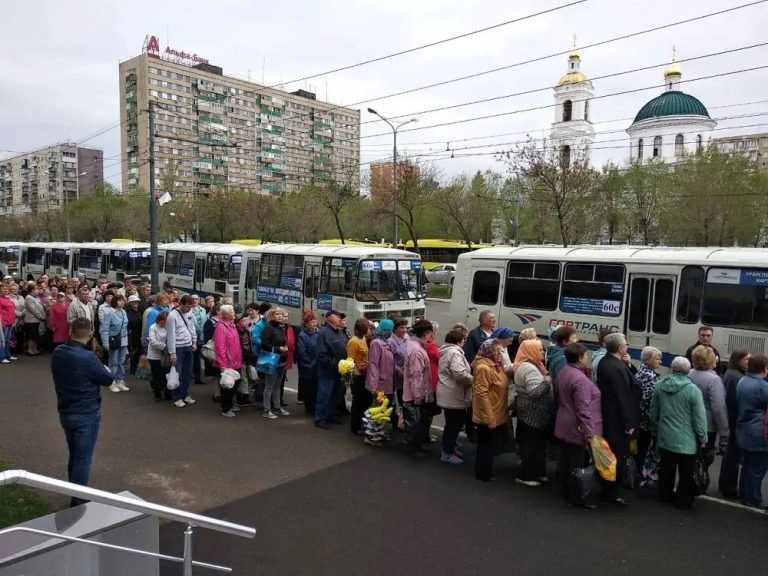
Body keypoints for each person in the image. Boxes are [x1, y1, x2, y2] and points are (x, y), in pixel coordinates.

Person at [51, 317, 115, 506]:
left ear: (70, 331)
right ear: (90, 333)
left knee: (74, 454)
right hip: (86, 412)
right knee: (82, 458)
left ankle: (74, 492)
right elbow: (107, 379)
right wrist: (106, 369)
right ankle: (78, 502)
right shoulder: (87, 358)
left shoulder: (59, 352)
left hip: (65, 409)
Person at [650, 356, 708, 510]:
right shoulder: (692, 390)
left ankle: (664, 494)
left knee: (666, 468)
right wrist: (703, 437)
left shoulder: (660, 384)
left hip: (665, 436)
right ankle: (683, 501)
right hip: (686, 440)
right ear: (688, 370)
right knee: (686, 473)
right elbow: (699, 418)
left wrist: (655, 428)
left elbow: (653, 412)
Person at [555, 342, 603, 507]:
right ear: (580, 357)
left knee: (567, 461)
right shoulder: (580, 379)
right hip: (577, 427)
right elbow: (583, 409)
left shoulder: (565, 371)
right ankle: (578, 497)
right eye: (586, 355)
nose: (587, 358)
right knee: (578, 465)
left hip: (564, 422)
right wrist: (590, 433)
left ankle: (566, 492)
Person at [596, 332, 639, 505]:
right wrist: (628, 423)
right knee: (616, 454)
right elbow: (623, 397)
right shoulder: (616, 367)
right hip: (616, 419)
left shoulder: (607, 362)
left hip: (609, 414)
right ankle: (611, 491)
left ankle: (609, 488)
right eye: (626, 344)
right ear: (621, 348)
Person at [514, 338, 554, 487]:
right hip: (532, 414)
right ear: (530, 351)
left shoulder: (534, 365)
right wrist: (547, 382)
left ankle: (537, 472)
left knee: (537, 446)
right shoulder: (529, 368)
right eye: (539, 350)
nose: (543, 351)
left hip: (533, 414)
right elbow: (534, 392)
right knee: (531, 446)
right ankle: (526, 475)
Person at [688, 344, 729, 485]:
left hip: (689, 422)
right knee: (705, 458)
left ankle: (689, 482)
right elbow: (719, 407)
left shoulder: (689, 373)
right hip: (707, 425)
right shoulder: (714, 379)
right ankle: (699, 484)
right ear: (712, 360)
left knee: (691, 457)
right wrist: (724, 431)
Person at [471, 339, 509, 481]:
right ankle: (482, 473)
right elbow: (481, 394)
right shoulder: (483, 368)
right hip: (488, 414)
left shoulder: (495, 365)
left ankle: (485, 471)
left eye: (500, 350)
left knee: (489, 444)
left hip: (496, 411)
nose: (500, 353)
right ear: (489, 352)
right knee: (485, 445)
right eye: (497, 350)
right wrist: (489, 418)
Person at [735, 354, 768, 509]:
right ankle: (753, 500)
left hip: (744, 429)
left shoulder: (743, 380)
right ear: (765, 368)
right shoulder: (762, 386)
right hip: (759, 432)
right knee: (757, 469)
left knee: (748, 465)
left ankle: (744, 494)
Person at [437, 327, 473, 464]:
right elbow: (460, 375)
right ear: (459, 341)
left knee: (453, 423)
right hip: (453, 394)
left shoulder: (447, 351)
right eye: (464, 340)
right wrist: (473, 379)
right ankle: (447, 452)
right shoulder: (455, 354)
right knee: (453, 424)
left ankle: (449, 449)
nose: (465, 342)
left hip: (450, 392)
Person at [719, 349, 750, 499]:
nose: (749, 362)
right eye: (746, 359)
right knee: (732, 457)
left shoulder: (735, 374)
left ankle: (726, 484)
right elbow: (732, 403)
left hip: (733, 422)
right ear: (738, 360)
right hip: (734, 422)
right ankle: (729, 487)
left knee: (731, 456)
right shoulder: (734, 377)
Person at [403, 319, 435, 455]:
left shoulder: (415, 345)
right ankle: (413, 448)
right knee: (416, 423)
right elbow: (416, 375)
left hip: (415, 391)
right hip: (415, 393)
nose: (432, 337)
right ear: (426, 333)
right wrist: (418, 396)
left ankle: (416, 446)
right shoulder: (417, 350)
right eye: (430, 333)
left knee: (417, 422)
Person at [314, 310, 348, 430]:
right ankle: (320, 419)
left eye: (340, 316)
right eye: (337, 316)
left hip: (340, 371)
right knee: (324, 395)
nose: (340, 318)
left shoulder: (339, 332)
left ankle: (331, 415)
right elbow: (321, 355)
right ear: (329, 318)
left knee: (336, 395)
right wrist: (336, 364)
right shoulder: (323, 333)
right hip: (327, 372)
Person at [166, 295, 198, 408]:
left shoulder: (190, 313)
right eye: (187, 307)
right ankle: (177, 397)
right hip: (178, 347)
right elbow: (171, 335)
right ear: (181, 304)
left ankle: (185, 394)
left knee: (188, 373)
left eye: (191, 307)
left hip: (188, 345)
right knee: (177, 373)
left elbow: (192, 328)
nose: (189, 309)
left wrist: (194, 342)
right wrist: (172, 353)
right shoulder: (172, 315)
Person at [260, 307, 291, 419]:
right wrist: (279, 349)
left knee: (277, 385)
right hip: (271, 359)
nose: (280, 316)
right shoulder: (268, 328)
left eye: (281, 315)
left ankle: (277, 407)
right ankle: (266, 409)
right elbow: (264, 344)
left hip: (281, 360)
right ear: (272, 316)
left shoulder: (280, 328)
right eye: (277, 314)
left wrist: (284, 348)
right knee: (269, 386)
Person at [213, 304, 243, 418]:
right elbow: (220, 347)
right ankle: (226, 408)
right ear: (225, 315)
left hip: (236, 360)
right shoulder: (221, 327)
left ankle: (230, 404)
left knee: (236, 382)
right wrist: (222, 364)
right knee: (227, 386)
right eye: (232, 312)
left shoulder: (232, 325)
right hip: (227, 362)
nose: (234, 313)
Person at [635, 346, 662, 471]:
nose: (660, 362)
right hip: (645, 421)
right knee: (643, 449)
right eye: (657, 359)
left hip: (639, 419)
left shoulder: (641, 370)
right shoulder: (649, 376)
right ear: (647, 360)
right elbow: (650, 400)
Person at [366, 319, 396, 426]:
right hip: (380, 385)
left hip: (387, 384)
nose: (391, 333)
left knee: (384, 411)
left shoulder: (386, 342)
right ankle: (372, 435)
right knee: (378, 411)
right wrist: (373, 386)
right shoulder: (376, 343)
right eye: (390, 330)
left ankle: (379, 433)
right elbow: (373, 365)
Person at [100, 294, 130, 393]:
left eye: (123, 300)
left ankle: (120, 380)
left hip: (123, 340)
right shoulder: (109, 313)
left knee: (121, 361)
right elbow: (105, 329)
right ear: (115, 301)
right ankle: (111, 382)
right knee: (113, 362)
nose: (122, 302)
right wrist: (105, 343)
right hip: (113, 340)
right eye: (119, 300)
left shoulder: (123, 312)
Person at [348, 318, 371, 435]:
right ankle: (355, 427)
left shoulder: (363, 338)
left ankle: (362, 423)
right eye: (368, 327)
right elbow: (350, 359)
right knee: (358, 401)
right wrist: (360, 369)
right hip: (357, 375)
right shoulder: (353, 341)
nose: (369, 329)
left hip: (364, 373)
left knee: (364, 401)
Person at [296, 310, 320, 415]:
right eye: (312, 322)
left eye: (315, 322)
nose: (314, 324)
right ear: (306, 324)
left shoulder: (319, 332)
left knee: (316, 387)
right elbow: (301, 351)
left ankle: (315, 406)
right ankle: (309, 408)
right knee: (309, 388)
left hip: (318, 364)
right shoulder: (303, 335)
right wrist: (310, 363)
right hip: (307, 365)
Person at [147, 311, 171, 401]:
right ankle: (157, 393)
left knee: (166, 374)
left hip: (165, 356)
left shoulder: (168, 327)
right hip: (154, 355)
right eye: (162, 320)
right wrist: (165, 347)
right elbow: (153, 342)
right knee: (157, 375)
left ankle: (167, 392)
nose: (163, 322)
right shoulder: (153, 327)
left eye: (165, 321)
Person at [547, 325, 578, 391]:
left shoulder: (562, 354)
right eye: (574, 338)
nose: (577, 340)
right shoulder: (562, 359)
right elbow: (564, 384)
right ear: (565, 342)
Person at [189, 294, 208, 386]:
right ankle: (190, 375)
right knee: (192, 357)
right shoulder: (188, 311)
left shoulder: (203, 310)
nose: (195, 300)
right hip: (192, 338)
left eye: (196, 299)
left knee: (198, 358)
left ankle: (198, 378)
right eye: (193, 299)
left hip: (201, 338)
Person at [23, 282, 46, 355]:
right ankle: (30, 350)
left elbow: (41, 308)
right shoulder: (28, 298)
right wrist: (41, 317)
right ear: (32, 290)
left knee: (36, 336)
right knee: (31, 336)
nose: (38, 291)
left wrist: (43, 315)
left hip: (37, 320)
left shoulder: (36, 297)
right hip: (31, 320)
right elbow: (33, 309)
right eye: (36, 289)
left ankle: (35, 349)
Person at [125, 294, 144, 376]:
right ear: (130, 303)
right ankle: (133, 369)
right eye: (134, 302)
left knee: (139, 351)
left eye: (137, 302)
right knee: (132, 352)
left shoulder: (140, 310)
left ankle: (138, 369)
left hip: (139, 333)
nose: (136, 303)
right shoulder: (127, 312)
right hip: (132, 334)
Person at [0, 283, 19, 362]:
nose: (5, 290)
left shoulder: (8, 298)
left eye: (6, 289)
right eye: (3, 289)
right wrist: (2, 321)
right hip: (3, 322)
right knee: (2, 340)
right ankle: (2, 357)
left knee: (7, 340)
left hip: (10, 322)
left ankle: (8, 355)